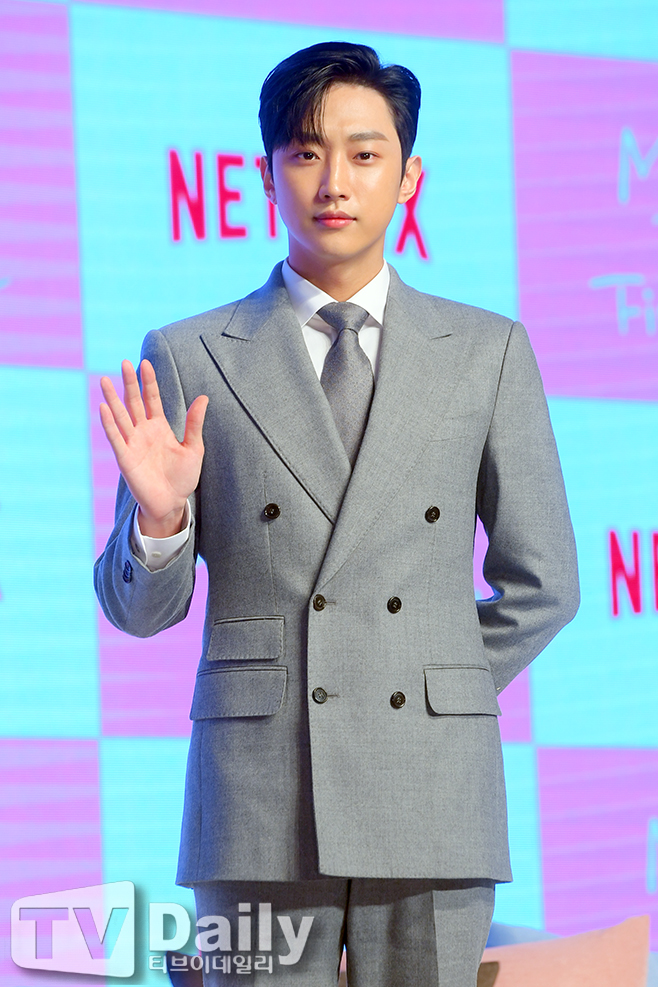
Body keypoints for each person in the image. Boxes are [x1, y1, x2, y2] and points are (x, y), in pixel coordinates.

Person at [95, 41, 579, 987]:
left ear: (409, 176)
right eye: (307, 152)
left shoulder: (486, 351)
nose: (334, 181)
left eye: (365, 153)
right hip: (259, 793)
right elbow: (138, 612)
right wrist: (159, 520)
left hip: (431, 786)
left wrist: (423, 686)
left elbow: (545, 581)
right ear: (265, 173)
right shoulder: (191, 352)